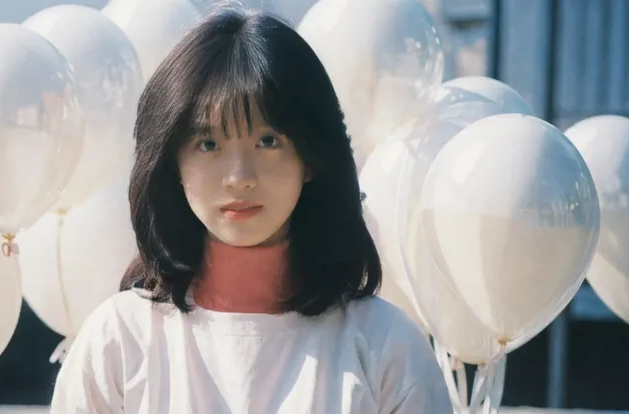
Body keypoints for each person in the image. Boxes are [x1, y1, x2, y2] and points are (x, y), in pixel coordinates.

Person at [51, 6, 452, 413]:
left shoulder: (386, 347)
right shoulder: (118, 342)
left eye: (268, 141)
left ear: (311, 157)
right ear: (173, 163)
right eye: (208, 144)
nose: (239, 177)